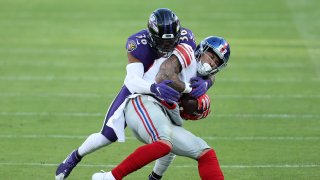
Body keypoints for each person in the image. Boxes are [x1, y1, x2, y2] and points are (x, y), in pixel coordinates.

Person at [55, 8, 206, 180]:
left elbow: (204, 63)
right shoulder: (138, 43)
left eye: (172, 42)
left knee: (168, 137)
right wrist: (154, 88)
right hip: (138, 90)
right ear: (151, 35)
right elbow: (133, 80)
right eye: (163, 43)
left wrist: (205, 82)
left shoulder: (187, 37)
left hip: (167, 92)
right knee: (107, 135)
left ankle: (155, 177)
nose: (168, 46)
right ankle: (75, 157)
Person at [91, 36, 231, 180]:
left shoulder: (202, 81)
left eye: (216, 62)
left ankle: (153, 178)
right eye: (212, 56)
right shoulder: (187, 51)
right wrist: (189, 89)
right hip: (143, 100)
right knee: (163, 143)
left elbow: (192, 108)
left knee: (205, 153)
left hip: (163, 114)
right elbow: (165, 73)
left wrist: (196, 105)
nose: (212, 63)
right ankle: (109, 177)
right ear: (202, 49)